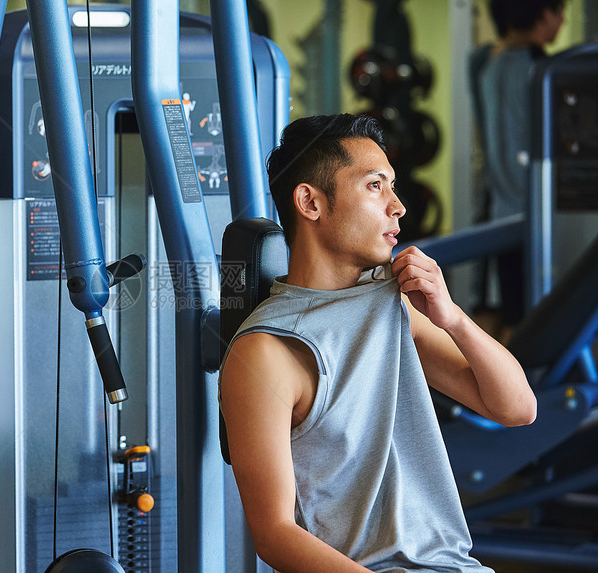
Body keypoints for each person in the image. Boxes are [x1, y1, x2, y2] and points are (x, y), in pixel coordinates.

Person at [219, 114, 536, 572]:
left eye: (393, 186)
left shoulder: (395, 305)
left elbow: (518, 409)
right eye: (375, 186)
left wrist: (453, 320)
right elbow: (275, 534)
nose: (398, 206)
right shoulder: (266, 354)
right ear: (310, 202)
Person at [476, 0, 565, 340]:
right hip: (532, 212)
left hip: (497, 208)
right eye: (560, 13)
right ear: (544, 14)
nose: (562, 21)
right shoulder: (542, 69)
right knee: (525, 321)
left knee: (500, 310)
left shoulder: (489, 65)